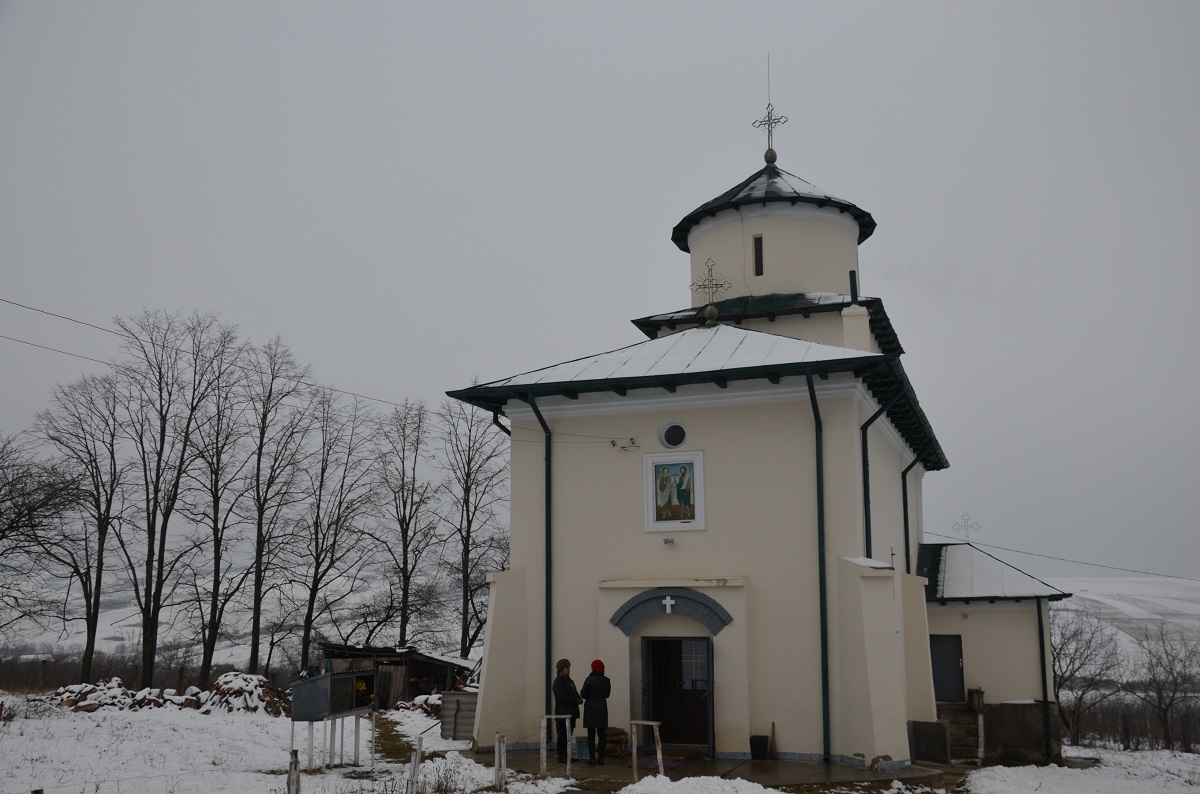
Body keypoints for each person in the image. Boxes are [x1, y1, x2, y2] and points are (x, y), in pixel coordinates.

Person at [580, 659, 611, 765]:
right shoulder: (607, 680)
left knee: (591, 734)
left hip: (590, 709)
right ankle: (601, 758)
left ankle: (592, 758)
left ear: (593, 668)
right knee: (602, 734)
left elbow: (583, 694)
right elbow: (607, 694)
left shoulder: (589, 679)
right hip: (602, 708)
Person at [551, 658, 582, 763]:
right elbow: (560, 696)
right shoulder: (558, 682)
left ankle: (566, 755)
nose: (569, 670)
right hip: (563, 712)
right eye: (567, 668)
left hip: (571, 712)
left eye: (569, 668)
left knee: (568, 735)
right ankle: (561, 755)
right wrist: (575, 700)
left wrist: (579, 699)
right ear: (561, 669)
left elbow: (574, 693)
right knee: (563, 735)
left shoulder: (569, 681)